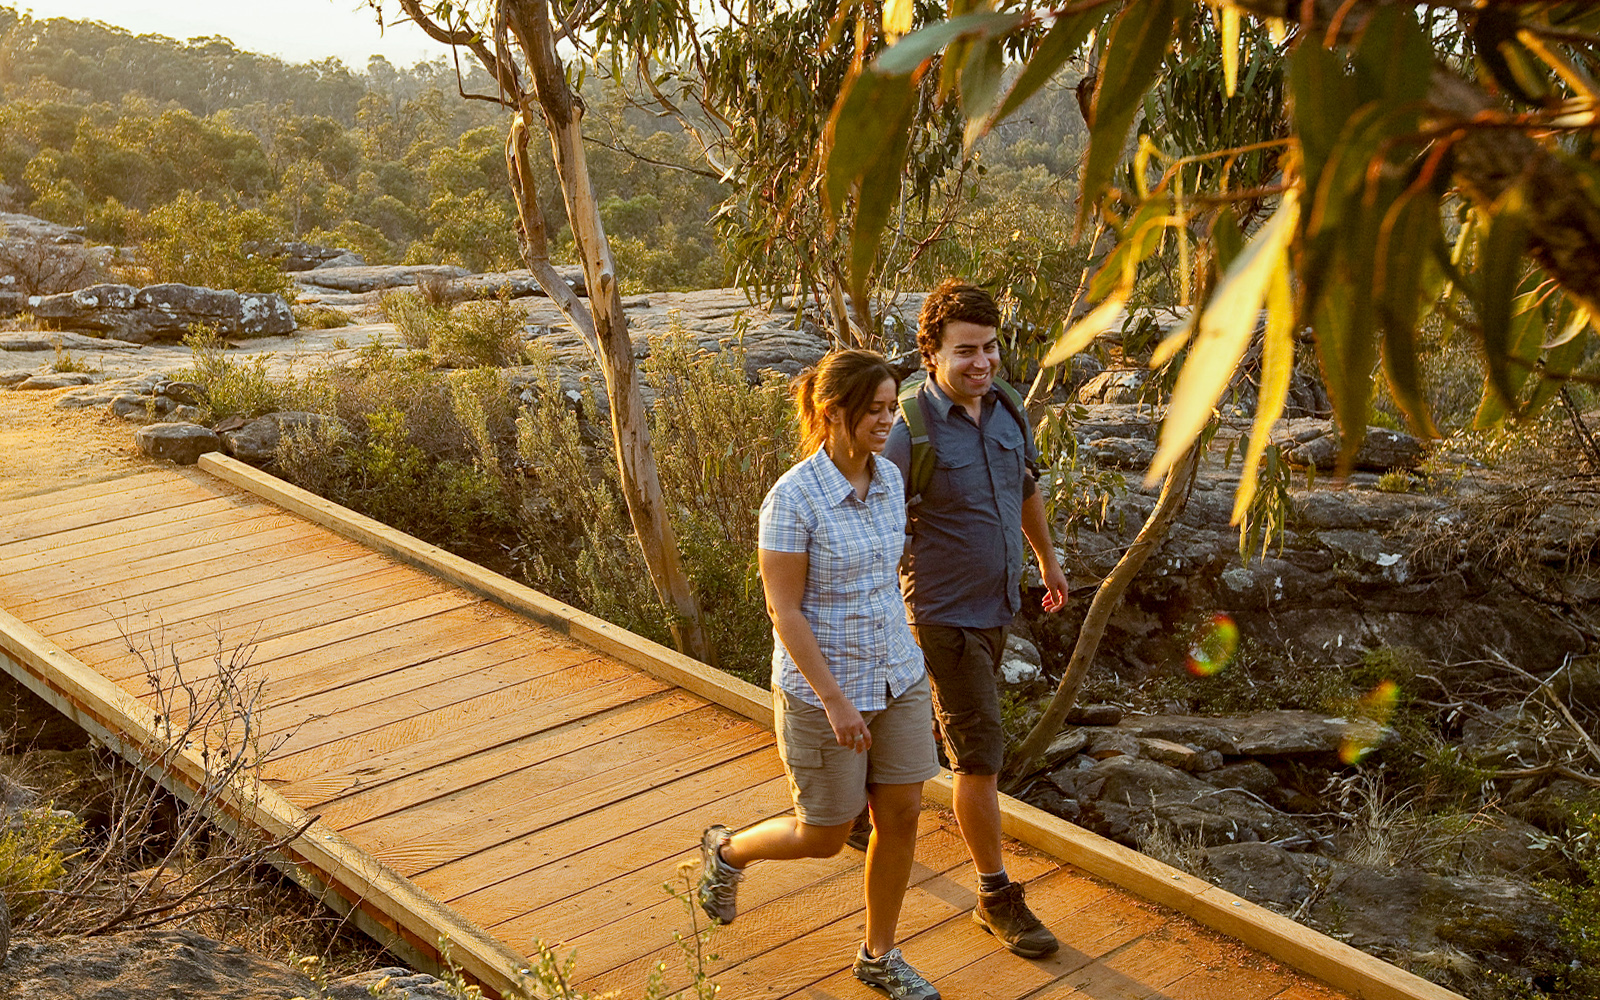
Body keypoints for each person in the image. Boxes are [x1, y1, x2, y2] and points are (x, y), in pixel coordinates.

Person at [697, 349, 942, 1000]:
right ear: (833, 413)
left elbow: (888, 581)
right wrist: (836, 701)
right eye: (876, 410)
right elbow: (784, 608)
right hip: (823, 691)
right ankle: (727, 853)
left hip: (897, 675)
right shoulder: (792, 500)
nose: (888, 421)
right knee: (825, 835)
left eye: (894, 408)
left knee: (905, 812)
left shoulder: (889, 481)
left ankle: (878, 954)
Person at [883, 280, 1070, 959]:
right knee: (978, 757)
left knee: (942, 727)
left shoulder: (1008, 410)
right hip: (940, 614)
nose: (981, 362)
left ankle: (853, 805)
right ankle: (995, 897)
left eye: (990, 348)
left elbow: (1025, 487)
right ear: (929, 353)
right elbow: (868, 517)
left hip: (997, 605)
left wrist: (1047, 561)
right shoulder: (908, 429)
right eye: (965, 351)